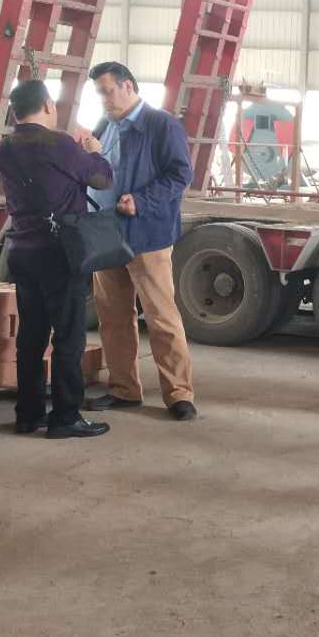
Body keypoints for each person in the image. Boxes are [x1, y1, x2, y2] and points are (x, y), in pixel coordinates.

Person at [0, 79, 112, 439]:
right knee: (69, 337)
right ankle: (65, 417)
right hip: (59, 253)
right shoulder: (59, 144)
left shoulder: (3, 149)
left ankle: (28, 414)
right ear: (47, 105)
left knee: (31, 336)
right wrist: (95, 151)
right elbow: (102, 179)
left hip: (21, 251)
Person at [85, 61, 197, 421]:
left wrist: (142, 200)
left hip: (147, 237)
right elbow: (101, 173)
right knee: (113, 317)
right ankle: (123, 389)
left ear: (128, 86)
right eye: (99, 94)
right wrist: (89, 153)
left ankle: (179, 394)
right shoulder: (105, 126)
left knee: (161, 317)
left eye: (107, 91)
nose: (104, 100)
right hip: (107, 235)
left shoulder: (162, 125)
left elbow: (181, 174)